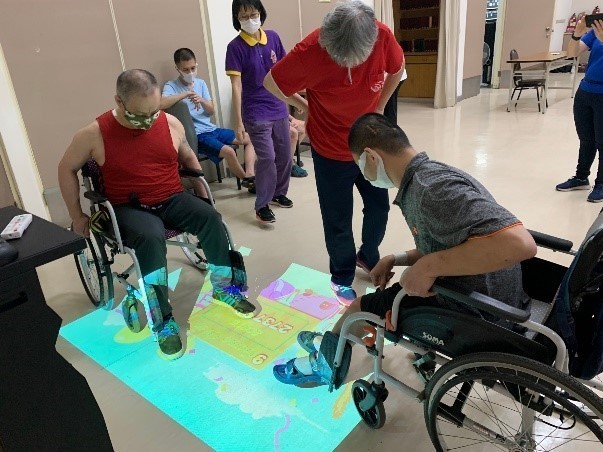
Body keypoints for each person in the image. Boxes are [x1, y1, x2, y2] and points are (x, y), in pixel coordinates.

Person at [273, 113, 537, 386]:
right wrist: (397, 258)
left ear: (371, 157)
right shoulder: (431, 174)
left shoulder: (431, 191)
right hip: (498, 294)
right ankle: (334, 342)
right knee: (381, 298)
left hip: (476, 308)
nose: (363, 174)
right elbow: (451, 242)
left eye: (359, 165)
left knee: (360, 307)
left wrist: (427, 268)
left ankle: (328, 363)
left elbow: (520, 244)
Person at [58, 69, 256, 361]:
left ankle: (224, 288)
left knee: (210, 217)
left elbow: (187, 154)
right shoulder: (94, 133)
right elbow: (66, 168)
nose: (148, 120)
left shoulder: (169, 122)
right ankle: (163, 322)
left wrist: (201, 192)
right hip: (128, 207)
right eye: (140, 115)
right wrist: (77, 215)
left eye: (153, 112)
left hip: (171, 197)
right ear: (119, 101)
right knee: (151, 237)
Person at [264, 1, 405, 304]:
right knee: (337, 219)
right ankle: (341, 275)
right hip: (329, 148)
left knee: (379, 207)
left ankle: (368, 254)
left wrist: (380, 106)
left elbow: (398, 68)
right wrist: (306, 106)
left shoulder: (381, 35)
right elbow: (271, 83)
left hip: (369, 144)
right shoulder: (309, 51)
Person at [226, 0, 303, 223]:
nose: (250, 19)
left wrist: (295, 99)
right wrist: (238, 121)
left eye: (253, 14)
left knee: (285, 154)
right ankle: (262, 205)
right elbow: (236, 86)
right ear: (237, 18)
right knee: (267, 157)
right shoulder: (235, 47)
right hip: (255, 111)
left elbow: (283, 74)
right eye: (244, 16)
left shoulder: (273, 37)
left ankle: (279, 193)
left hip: (278, 106)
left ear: (260, 13)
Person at [161, 48, 256, 190]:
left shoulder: (201, 83)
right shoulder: (171, 86)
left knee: (250, 139)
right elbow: (161, 104)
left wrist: (201, 100)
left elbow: (211, 110)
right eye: (185, 70)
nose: (190, 72)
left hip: (212, 129)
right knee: (229, 152)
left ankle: (250, 175)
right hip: (197, 135)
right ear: (178, 69)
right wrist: (186, 94)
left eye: (193, 68)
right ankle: (249, 183)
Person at [556, 18, 603, 202]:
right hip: (585, 92)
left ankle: (601, 184)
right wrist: (577, 34)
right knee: (586, 139)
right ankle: (581, 177)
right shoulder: (595, 32)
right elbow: (572, 53)